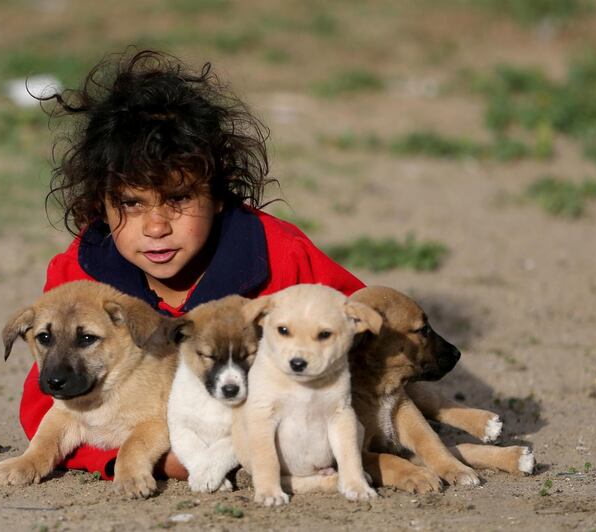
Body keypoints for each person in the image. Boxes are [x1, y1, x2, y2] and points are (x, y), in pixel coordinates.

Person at [19, 49, 365, 482]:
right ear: (99, 206)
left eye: (179, 198)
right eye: (131, 203)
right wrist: (154, 460)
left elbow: (367, 323)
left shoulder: (279, 257)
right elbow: (44, 403)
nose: (156, 226)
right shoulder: (80, 278)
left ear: (219, 195)